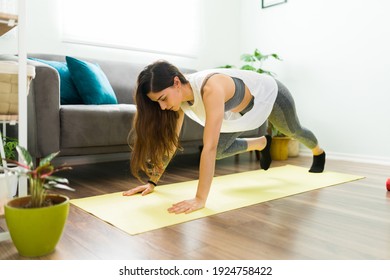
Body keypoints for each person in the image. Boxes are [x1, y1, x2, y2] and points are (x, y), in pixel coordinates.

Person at [123, 60, 326, 214]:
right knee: (220, 151)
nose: (163, 106)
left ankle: (319, 152)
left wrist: (200, 199)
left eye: (163, 99)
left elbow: (208, 147)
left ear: (177, 82)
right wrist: (152, 182)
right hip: (238, 115)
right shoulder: (179, 101)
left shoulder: (211, 88)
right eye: (157, 102)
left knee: (294, 131)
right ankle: (262, 143)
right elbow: (171, 144)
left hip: (270, 96)